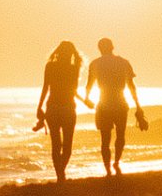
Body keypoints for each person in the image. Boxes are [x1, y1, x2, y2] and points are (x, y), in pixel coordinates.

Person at [85, 38, 146, 176]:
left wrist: (87, 98)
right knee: (120, 135)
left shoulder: (95, 64)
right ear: (112, 47)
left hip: (103, 105)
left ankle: (107, 169)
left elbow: (89, 85)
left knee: (105, 139)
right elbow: (131, 86)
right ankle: (117, 162)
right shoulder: (124, 62)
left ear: (99, 48)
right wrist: (138, 105)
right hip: (120, 103)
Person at [34, 41, 91, 183]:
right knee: (67, 146)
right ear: (72, 54)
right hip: (68, 108)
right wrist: (84, 101)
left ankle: (60, 175)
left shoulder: (50, 66)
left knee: (56, 144)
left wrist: (39, 106)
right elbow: (73, 90)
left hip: (52, 107)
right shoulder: (74, 68)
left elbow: (45, 88)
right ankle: (61, 174)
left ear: (58, 52)